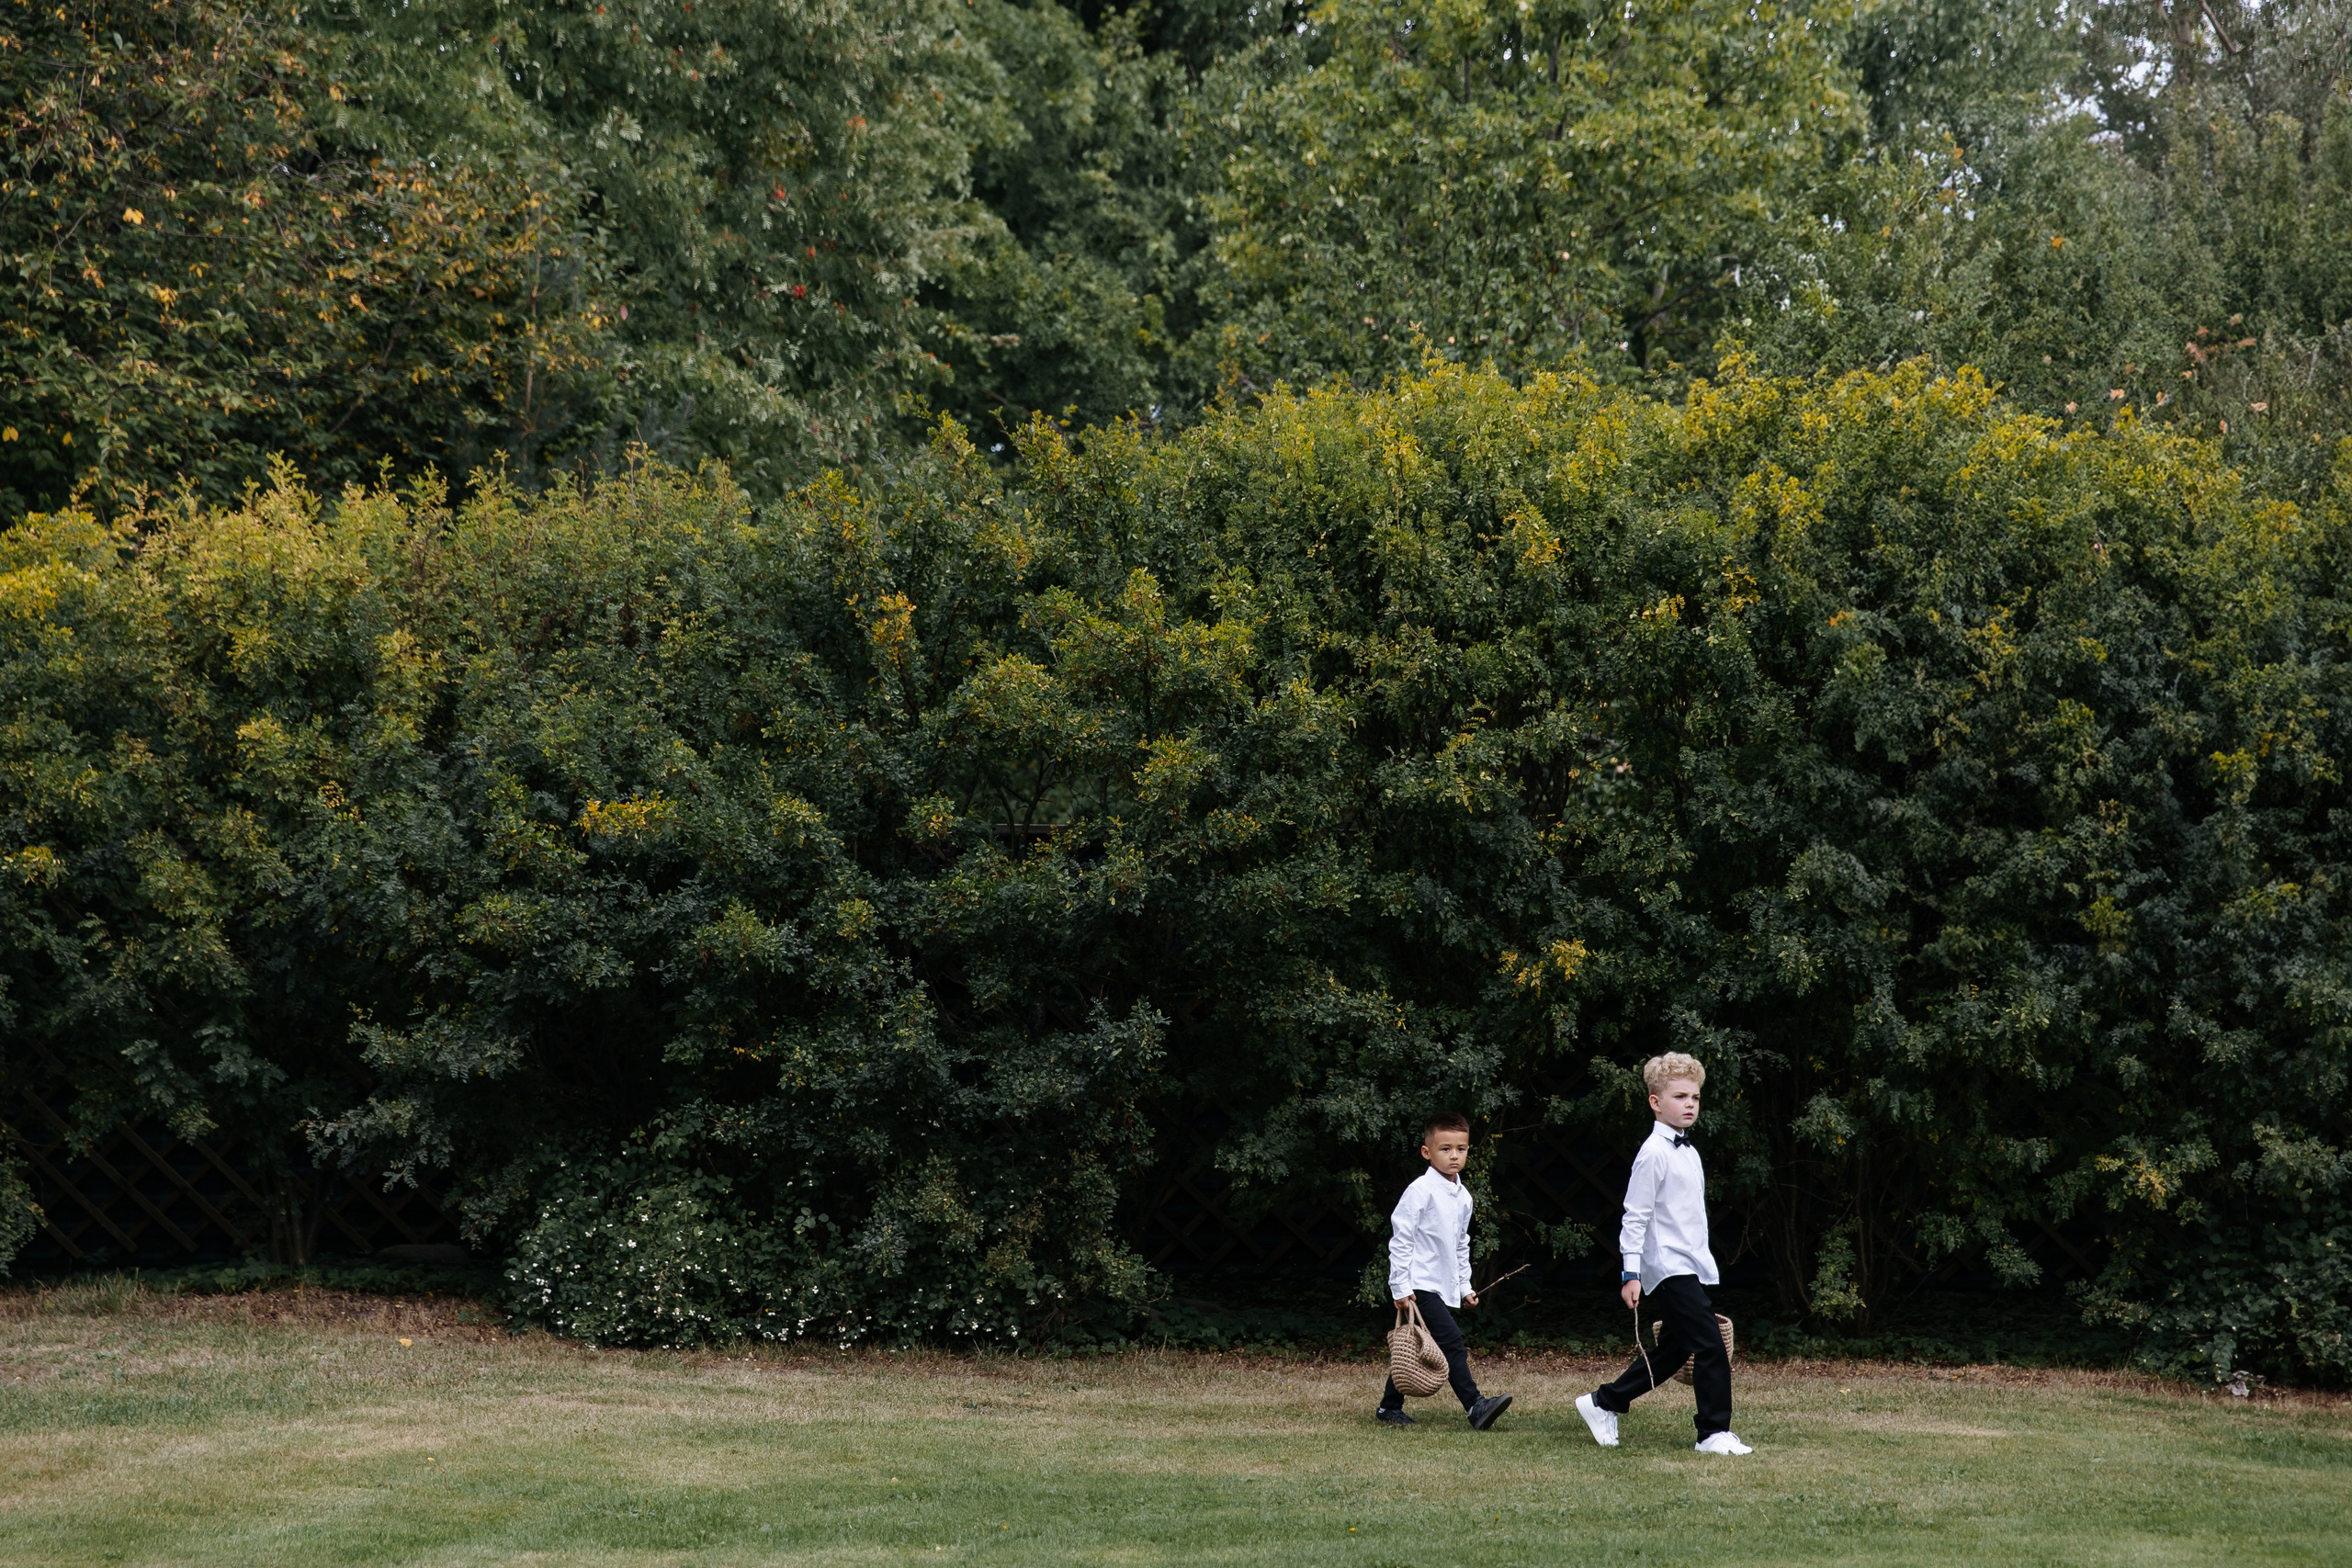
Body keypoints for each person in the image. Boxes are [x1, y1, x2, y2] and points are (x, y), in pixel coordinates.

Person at [1575, 1053, 1753, 1455]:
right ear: (1656, 1102)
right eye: (1679, 1096)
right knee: (1709, 1345)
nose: (1690, 1104)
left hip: (1689, 1263)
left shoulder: (1688, 1151)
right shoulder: (1653, 1153)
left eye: (1695, 1096)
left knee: (1676, 1349)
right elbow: (1634, 1218)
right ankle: (1712, 1433)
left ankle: (1605, 1401)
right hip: (1667, 1267)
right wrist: (1630, 1274)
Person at [1376, 1111, 1514, 1430]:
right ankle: (1475, 1407)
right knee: (1451, 1343)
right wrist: (1400, 1286)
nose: (1454, 1156)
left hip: (1440, 1284)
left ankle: (1388, 1408)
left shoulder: (1462, 1196)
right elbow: (1401, 1240)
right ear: (1427, 1152)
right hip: (1419, 1283)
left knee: (1417, 1344)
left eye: (1461, 1149)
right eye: (1445, 1149)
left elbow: (1459, 1245)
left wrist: (1465, 1286)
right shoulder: (1420, 1191)